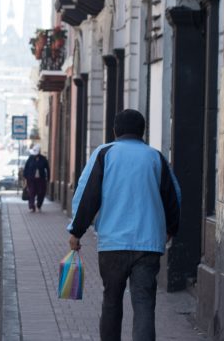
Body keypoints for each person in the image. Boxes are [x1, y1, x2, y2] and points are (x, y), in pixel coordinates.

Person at [67, 109, 181, 341]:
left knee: (111, 301)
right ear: (143, 131)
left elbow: (87, 194)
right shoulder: (155, 157)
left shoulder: (104, 153)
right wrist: (170, 229)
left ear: (115, 131)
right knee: (144, 305)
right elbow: (173, 196)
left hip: (112, 244)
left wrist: (76, 231)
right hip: (148, 244)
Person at [22, 144, 49, 212]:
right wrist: (25, 176)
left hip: (41, 179)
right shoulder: (30, 158)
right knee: (31, 192)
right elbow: (26, 168)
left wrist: (48, 177)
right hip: (31, 179)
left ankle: (38, 205)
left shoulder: (43, 159)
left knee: (41, 192)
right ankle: (31, 206)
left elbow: (47, 169)